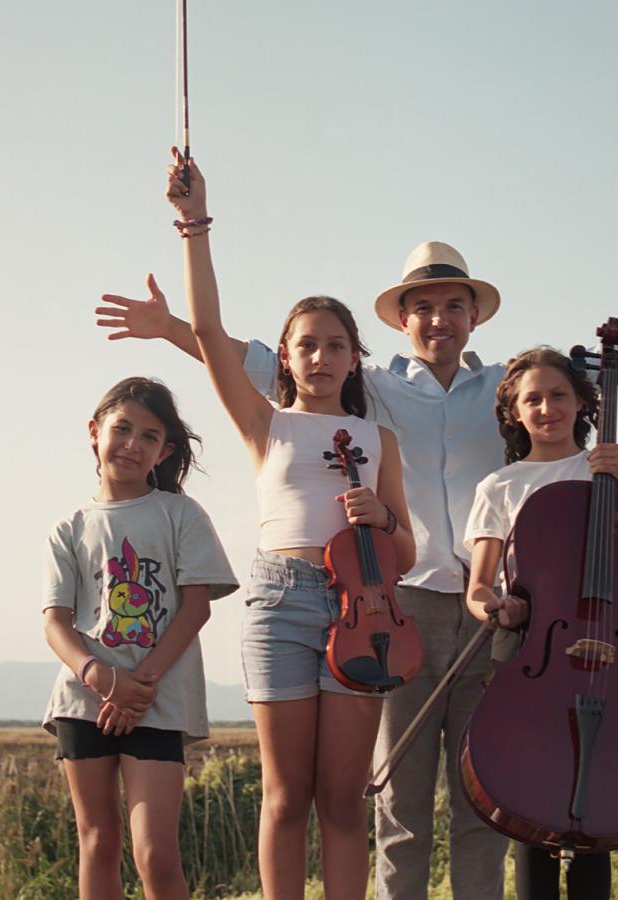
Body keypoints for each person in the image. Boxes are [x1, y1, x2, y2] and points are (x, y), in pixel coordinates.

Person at [96, 202, 618, 899]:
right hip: (394, 608)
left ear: (474, 316)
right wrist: (170, 327)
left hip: (502, 619)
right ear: (401, 320)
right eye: (423, 307)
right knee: (399, 799)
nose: (439, 318)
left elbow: (606, 362)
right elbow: (253, 360)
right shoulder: (371, 389)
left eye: (453, 305)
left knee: (489, 792)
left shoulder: (511, 385)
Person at [166, 153, 417, 900]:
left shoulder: (378, 441)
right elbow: (208, 331)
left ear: (354, 359)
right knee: (285, 797)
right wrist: (193, 224)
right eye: (306, 344)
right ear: (286, 357)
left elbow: (403, 552)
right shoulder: (265, 424)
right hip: (278, 604)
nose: (320, 356)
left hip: (360, 612)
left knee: (341, 801)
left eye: (335, 344)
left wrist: (380, 517)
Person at [462, 347, 618, 900]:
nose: (548, 408)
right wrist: (497, 607)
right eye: (533, 399)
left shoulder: (608, 468)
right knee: (529, 794)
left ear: (581, 403)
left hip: (613, 659)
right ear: (514, 412)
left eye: (559, 395)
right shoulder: (499, 486)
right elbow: (478, 586)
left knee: (602, 806)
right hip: (528, 650)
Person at [41, 376, 239, 900]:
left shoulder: (181, 515)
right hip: (85, 700)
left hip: (159, 700)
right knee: (98, 843)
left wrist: (139, 687)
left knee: (154, 852)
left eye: (149, 436)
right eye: (121, 428)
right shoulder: (70, 527)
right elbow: (56, 622)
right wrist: (102, 678)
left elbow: (196, 608)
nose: (132, 443)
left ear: (165, 450)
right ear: (94, 432)